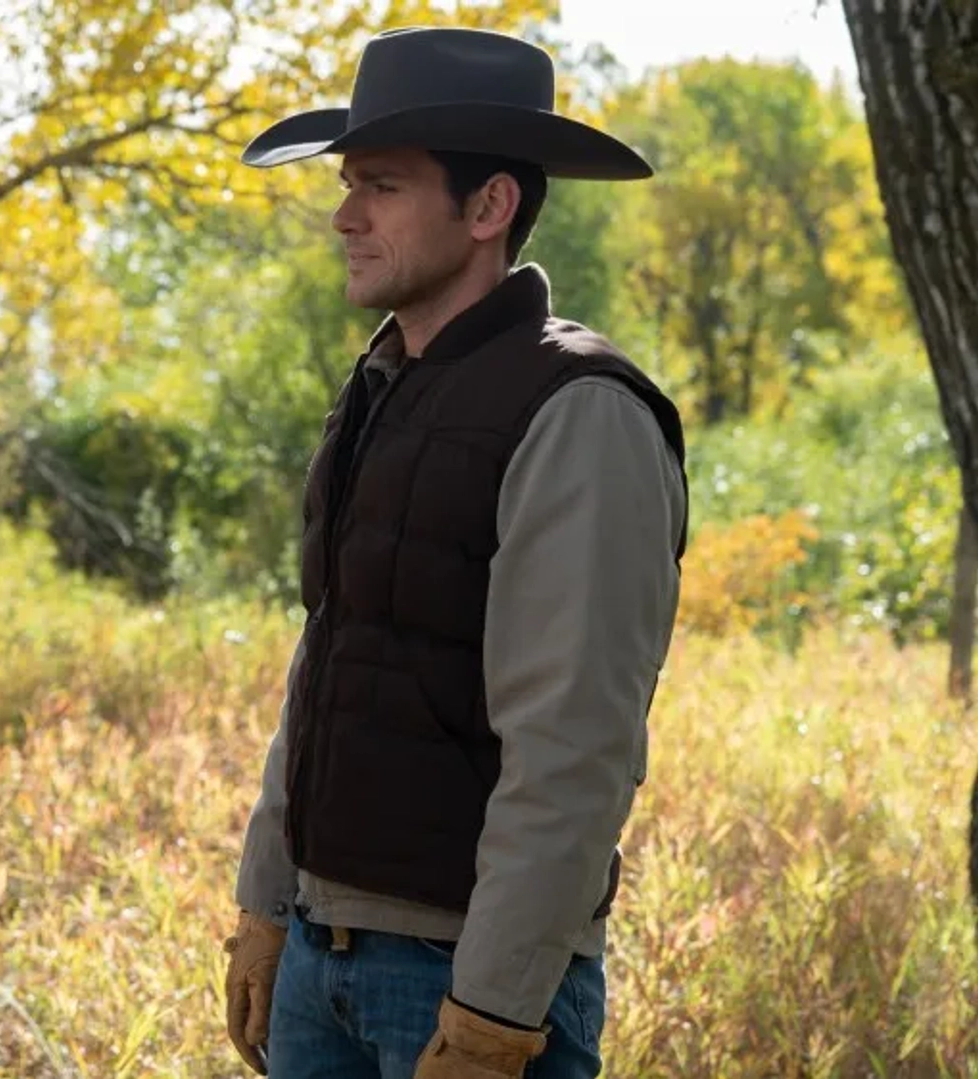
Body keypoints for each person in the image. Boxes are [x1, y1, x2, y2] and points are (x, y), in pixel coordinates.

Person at [220, 26, 689, 1079]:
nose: (345, 214)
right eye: (348, 183)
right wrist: (265, 898)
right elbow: (329, 656)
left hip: (460, 982)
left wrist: (491, 1015)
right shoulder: (383, 383)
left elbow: (574, 745)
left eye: (381, 185)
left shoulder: (581, 411)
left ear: (489, 209)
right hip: (319, 954)